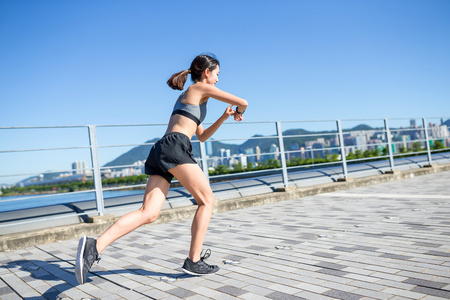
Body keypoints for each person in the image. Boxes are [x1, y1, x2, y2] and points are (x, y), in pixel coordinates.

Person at [75, 54, 248, 284]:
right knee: (207, 201)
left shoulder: (194, 98)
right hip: (175, 148)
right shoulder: (198, 88)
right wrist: (239, 111)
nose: (217, 79)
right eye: (217, 74)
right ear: (207, 72)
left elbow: (203, 137)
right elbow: (243, 101)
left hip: (163, 149)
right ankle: (193, 261)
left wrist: (225, 117)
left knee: (149, 212)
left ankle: (93, 247)